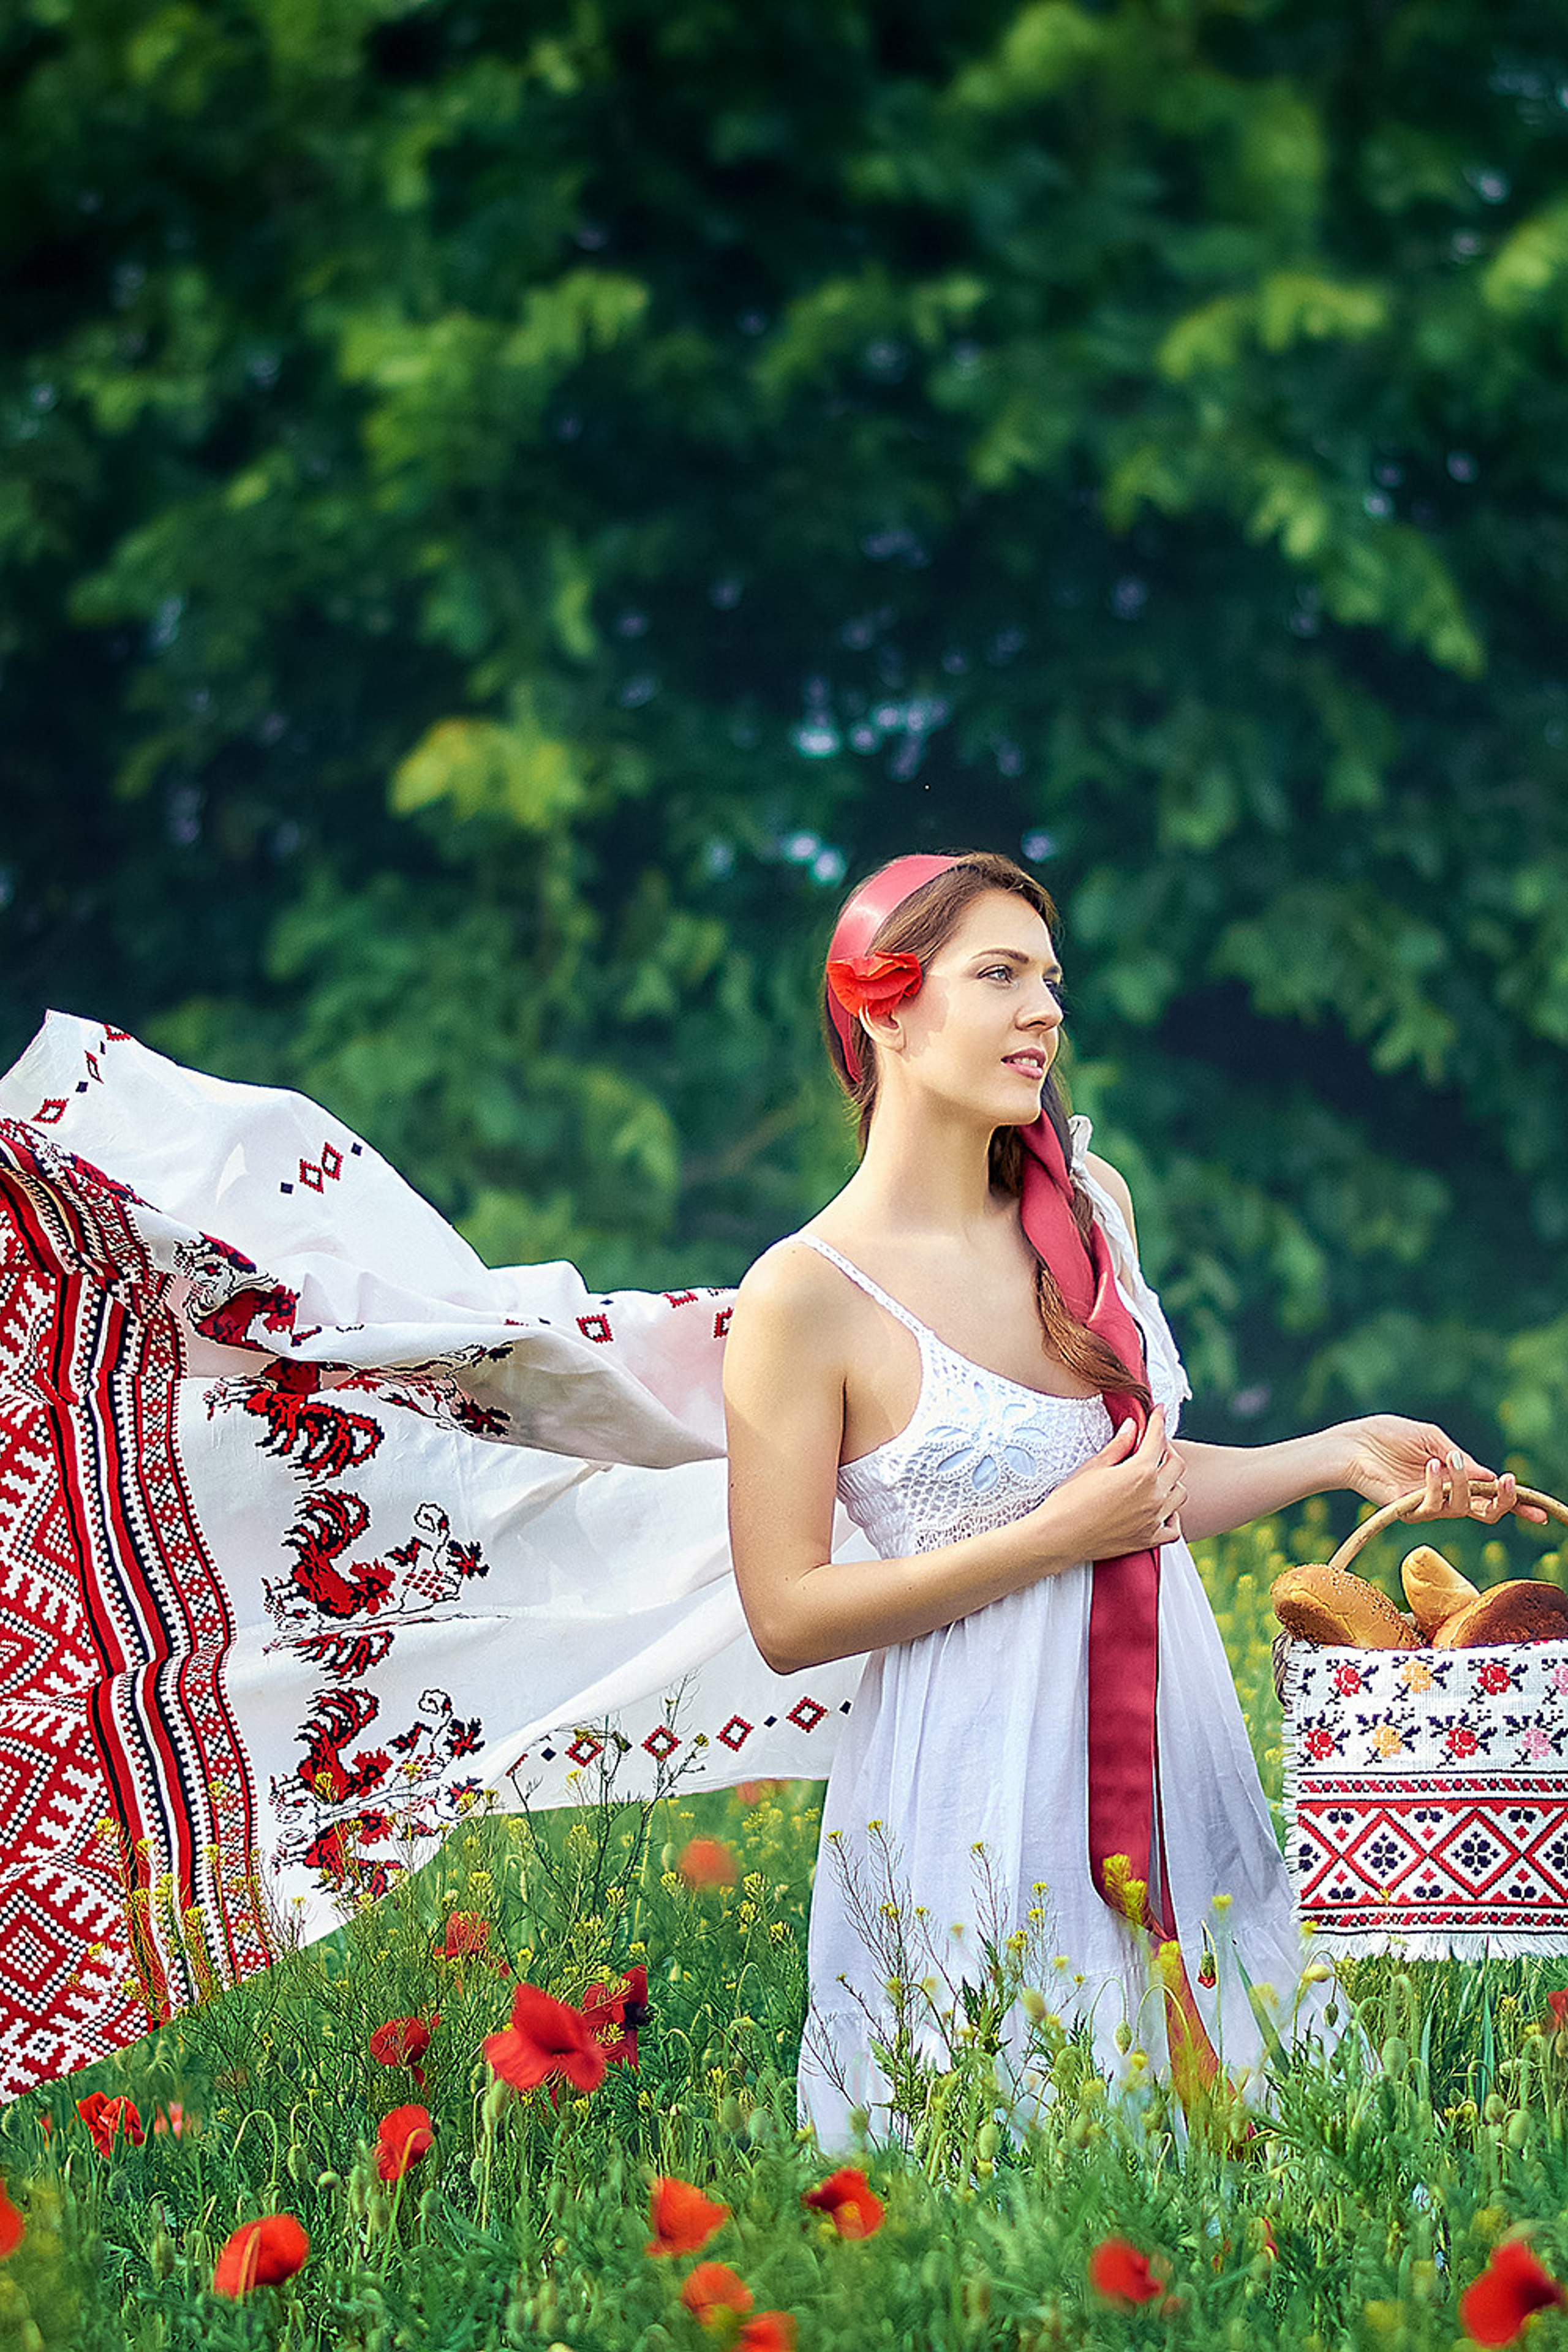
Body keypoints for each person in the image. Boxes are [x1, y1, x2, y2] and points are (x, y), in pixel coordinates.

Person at [721, 850, 1525, 2142]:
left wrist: (1334, 1454)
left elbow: (1140, 1492)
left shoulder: (1088, 1206)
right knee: (1013, 2145)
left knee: (1262, 2140)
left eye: (1049, 980)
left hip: (1167, 1733)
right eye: (997, 976)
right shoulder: (803, 1295)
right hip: (974, 1776)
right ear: (881, 1006)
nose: (1043, 1010)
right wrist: (1049, 1542)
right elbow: (787, 1614)